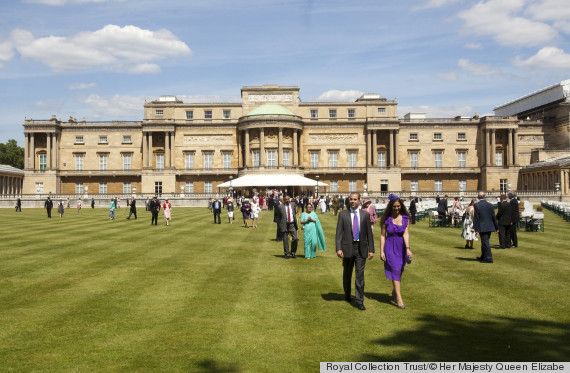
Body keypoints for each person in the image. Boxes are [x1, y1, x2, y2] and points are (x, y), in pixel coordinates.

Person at [335, 192, 374, 311]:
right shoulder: (343, 214)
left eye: (355, 199)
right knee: (347, 274)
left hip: (361, 248)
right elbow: (338, 233)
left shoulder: (365, 215)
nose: (352, 201)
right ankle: (347, 294)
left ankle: (359, 300)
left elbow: (369, 234)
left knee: (360, 276)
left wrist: (371, 249)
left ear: (359, 201)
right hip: (347, 248)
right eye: (351, 199)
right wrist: (339, 248)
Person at [379, 193, 412, 309]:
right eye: (394, 206)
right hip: (390, 246)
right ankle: (399, 298)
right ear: (390, 207)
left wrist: (408, 249)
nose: (397, 208)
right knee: (396, 269)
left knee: (399, 270)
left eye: (398, 206)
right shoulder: (386, 220)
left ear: (401, 206)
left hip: (401, 247)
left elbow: (406, 234)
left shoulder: (405, 219)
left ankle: (394, 291)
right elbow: (382, 236)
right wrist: (381, 251)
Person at [472, 191, 498, 263]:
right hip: (490, 226)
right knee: (484, 241)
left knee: (485, 242)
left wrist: (474, 227)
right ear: (485, 196)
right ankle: (483, 256)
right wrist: (496, 227)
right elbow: (493, 217)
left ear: (478, 197)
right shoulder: (490, 205)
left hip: (482, 226)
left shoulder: (477, 205)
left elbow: (476, 217)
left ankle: (489, 258)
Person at [277, 195, 299, 259]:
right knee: (285, 240)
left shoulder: (293, 205)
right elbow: (278, 217)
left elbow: (294, 214)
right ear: (283, 200)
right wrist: (280, 225)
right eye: (286, 199)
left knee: (295, 238)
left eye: (288, 199)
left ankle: (293, 252)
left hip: (292, 224)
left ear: (290, 199)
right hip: (285, 225)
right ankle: (287, 254)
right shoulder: (280, 207)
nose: (287, 200)